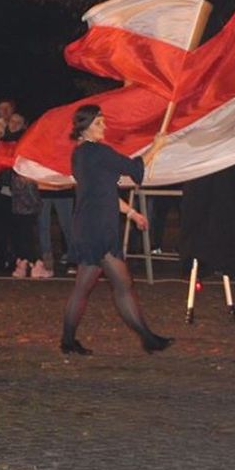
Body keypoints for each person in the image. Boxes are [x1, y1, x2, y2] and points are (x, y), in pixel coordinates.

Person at [60, 104, 171, 355]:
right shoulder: (98, 152)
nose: (104, 127)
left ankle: (68, 342)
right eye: (99, 123)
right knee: (123, 284)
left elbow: (102, 193)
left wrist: (131, 213)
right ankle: (148, 339)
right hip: (98, 228)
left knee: (83, 287)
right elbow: (134, 168)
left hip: (89, 225)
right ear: (85, 127)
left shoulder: (80, 155)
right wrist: (158, 145)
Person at [171, 0, 235, 283]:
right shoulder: (181, 13)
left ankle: (220, 255)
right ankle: (196, 256)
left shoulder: (208, 13)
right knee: (199, 186)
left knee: (221, 185)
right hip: (194, 104)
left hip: (212, 103)